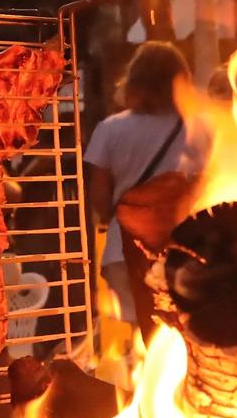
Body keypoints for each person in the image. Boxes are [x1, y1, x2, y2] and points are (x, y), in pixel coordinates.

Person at [82, 41, 199, 338]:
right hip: (186, 252)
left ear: (134, 81)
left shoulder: (109, 130)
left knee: (138, 340)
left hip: (123, 248)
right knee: (189, 335)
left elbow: (100, 199)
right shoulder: (200, 129)